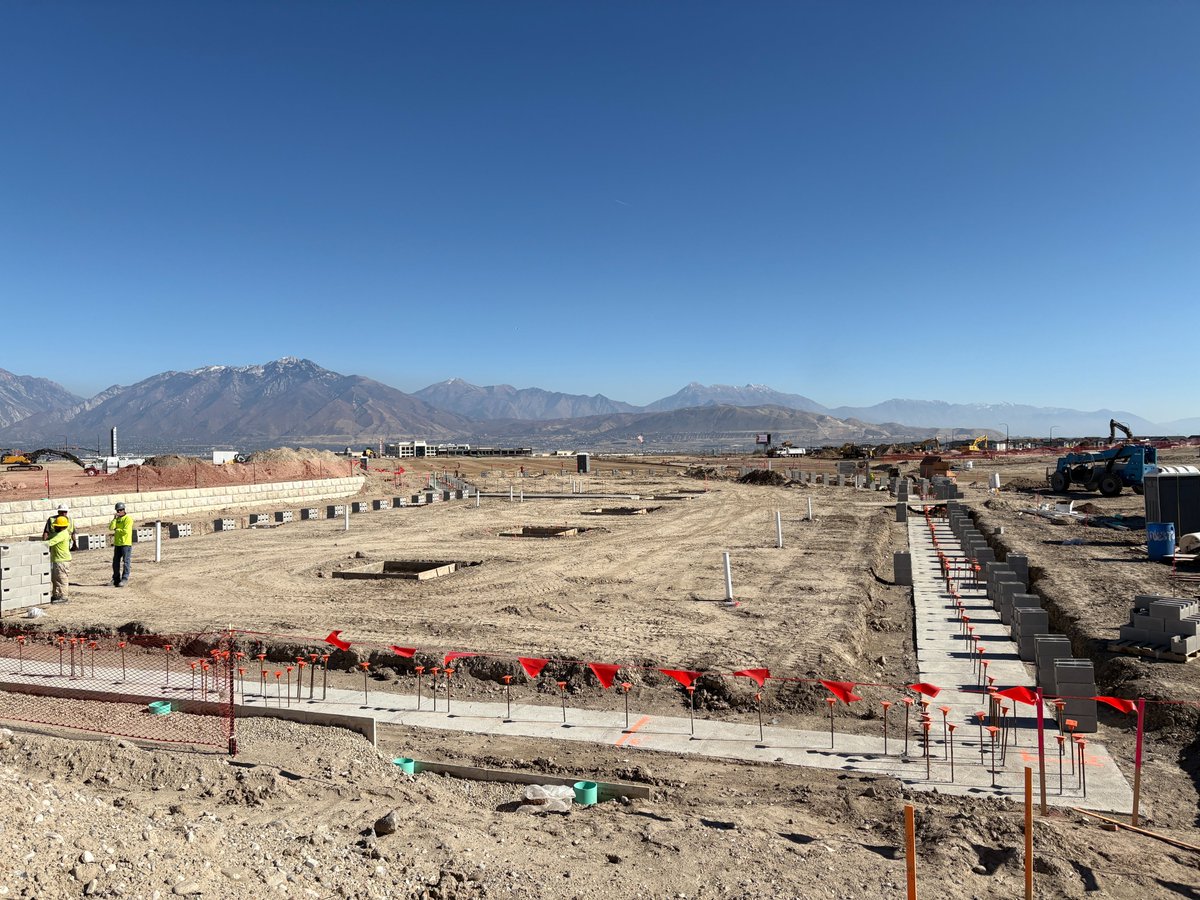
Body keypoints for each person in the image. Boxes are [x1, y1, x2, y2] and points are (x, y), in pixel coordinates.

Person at [45, 515, 72, 603]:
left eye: (56, 525)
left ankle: (63, 596)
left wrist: (38, 545)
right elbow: (50, 537)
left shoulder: (62, 534)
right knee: (55, 579)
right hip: (57, 560)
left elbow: (50, 542)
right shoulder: (58, 533)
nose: (54, 526)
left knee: (61, 578)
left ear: (60, 527)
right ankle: (56, 595)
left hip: (62, 561)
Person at [109, 502, 133, 587]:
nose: (119, 512)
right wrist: (114, 519)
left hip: (126, 543)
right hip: (118, 543)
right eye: (117, 510)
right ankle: (116, 579)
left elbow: (125, 531)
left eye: (120, 510)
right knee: (115, 562)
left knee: (126, 561)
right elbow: (111, 527)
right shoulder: (117, 519)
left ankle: (125, 578)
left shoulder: (128, 519)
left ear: (124, 510)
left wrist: (117, 529)